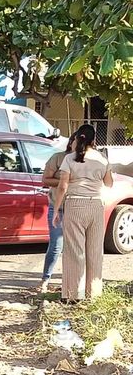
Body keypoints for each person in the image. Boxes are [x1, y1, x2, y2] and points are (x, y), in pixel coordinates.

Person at [53, 124, 113, 302]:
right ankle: (93, 294)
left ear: (78, 138)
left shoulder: (70, 159)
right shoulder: (102, 159)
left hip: (75, 204)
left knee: (74, 251)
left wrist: (56, 209)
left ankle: (73, 295)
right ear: (94, 140)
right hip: (96, 206)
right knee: (95, 251)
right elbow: (109, 184)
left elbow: (62, 186)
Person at [39, 133, 76, 292]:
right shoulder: (58, 158)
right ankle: (45, 280)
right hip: (58, 207)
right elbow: (45, 179)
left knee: (74, 248)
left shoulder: (87, 160)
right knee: (56, 245)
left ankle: (70, 282)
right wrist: (64, 182)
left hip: (77, 208)